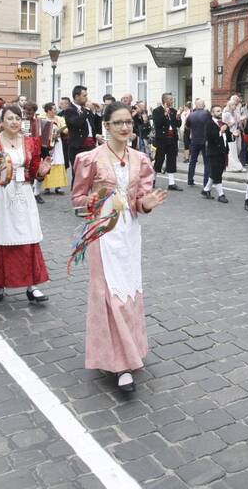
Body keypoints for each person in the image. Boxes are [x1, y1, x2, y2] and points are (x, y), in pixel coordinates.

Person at [72, 102, 168, 392]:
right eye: (118, 123)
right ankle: (119, 363)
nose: (125, 127)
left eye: (128, 122)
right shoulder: (91, 159)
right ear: (107, 126)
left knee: (128, 288)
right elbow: (78, 199)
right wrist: (99, 201)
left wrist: (146, 205)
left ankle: (131, 349)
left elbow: (139, 199)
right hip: (103, 232)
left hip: (129, 232)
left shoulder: (140, 159)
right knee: (108, 292)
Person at [0, 105, 52, 303]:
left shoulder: (30, 142)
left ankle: (33, 285)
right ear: (2, 122)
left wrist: (42, 171)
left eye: (17, 118)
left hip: (23, 192)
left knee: (28, 235)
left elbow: (33, 170)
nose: (14, 122)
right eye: (10, 118)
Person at [61, 85, 96, 186]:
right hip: (77, 146)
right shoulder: (69, 110)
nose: (87, 98)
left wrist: (96, 112)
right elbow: (77, 123)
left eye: (86, 95)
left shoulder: (86, 110)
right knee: (78, 174)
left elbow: (93, 126)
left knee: (92, 173)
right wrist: (86, 110)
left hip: (91, 145)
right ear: (76, 97)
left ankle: (89, 198)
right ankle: (77, 198)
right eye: (84, 96)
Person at [151, 93, 182, 191]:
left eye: (172, 99)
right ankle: (152, 180)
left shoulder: (173, 111)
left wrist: (178, 116)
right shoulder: (157, 111)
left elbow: (178, 124)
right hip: (161, 140)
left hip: (172, 139)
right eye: (170, 99)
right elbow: (158, 124)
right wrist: (164, 115)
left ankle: (171, 183)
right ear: (165, 100)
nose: (172, 101)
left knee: (172, 160)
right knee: (158, 159)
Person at [203, 105, 231, 203]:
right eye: (217, 111)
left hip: (223, 152)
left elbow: (228, 138)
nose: (220, 112)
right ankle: (221, 195)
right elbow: (209, 137)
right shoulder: (209, 124)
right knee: (217, 173)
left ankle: (206, 190)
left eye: (221, 111)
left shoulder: (223, 123)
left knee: (216, 172)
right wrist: (221, 131)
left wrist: (231, 133)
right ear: (212, 113)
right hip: (214, 152)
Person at [41, 102, 69, 195]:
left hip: (57, 143)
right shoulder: (42, 118)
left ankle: (58, 186)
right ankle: (47, 187)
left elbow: (66, 130)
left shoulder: (60, 119)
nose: (56, 110)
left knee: (58, 161)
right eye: (54, 109)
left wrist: (59, 129)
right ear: (48, 110)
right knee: (48, 163)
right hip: (46, 144)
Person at [185, 99, 212, 189]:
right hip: (205, 140)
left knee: (193, 161)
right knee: (207, 162)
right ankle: (205, 183)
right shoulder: (207, 114)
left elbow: (187, 126)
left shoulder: (191, 114)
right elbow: (210, 125)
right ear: (203, 105)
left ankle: (190, 179)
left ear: (196, 105)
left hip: (194, 140)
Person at [222, 95, 245, 172]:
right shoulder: (226, 113)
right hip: (229, 133)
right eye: (233, 105)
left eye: (235, 104)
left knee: (235, 150)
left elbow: (238, 121)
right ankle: (231, 166)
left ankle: (236, 165)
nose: (235, 106)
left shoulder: (234, 113)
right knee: (231, 150)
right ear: (229, 105)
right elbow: (225, 124)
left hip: (235, 132)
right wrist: (232, 122)